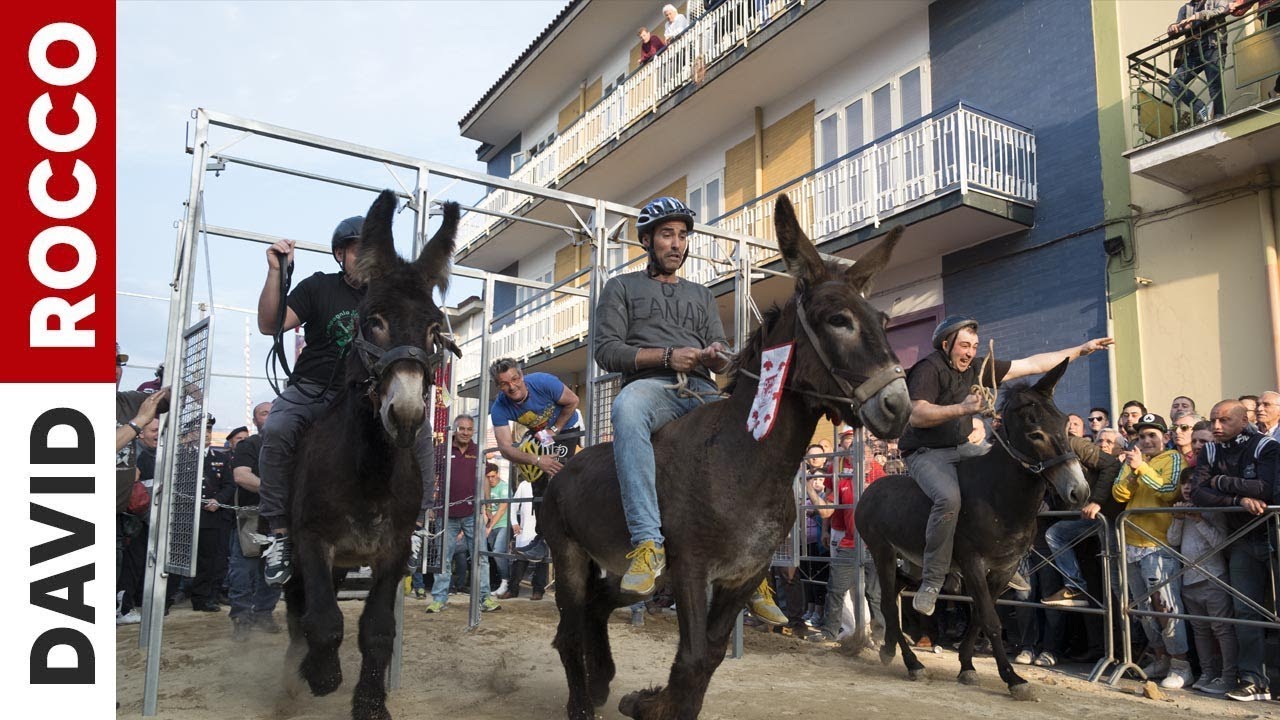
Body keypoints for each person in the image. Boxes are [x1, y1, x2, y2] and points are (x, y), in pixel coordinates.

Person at [594, 195, 784, 624]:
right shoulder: (621, 287)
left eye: (682, 235)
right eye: (667, 234)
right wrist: (666, 358)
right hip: (653, 389)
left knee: (757, 436)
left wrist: (719, 357)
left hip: (702, 390)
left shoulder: (701, 294)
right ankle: (647, 544)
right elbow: (606, 351)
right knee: (626, 409)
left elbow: (719, 348)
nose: (677, 243)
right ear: (646, 240)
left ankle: (757, 570)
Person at [255, 213, 436, 588]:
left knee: (419, 431)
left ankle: (415, 527)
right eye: (358, 251)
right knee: (278, 428)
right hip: (313, 388)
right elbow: (270, 323)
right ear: (341, 255)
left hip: (364, 394)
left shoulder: (391, 296)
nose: (366, 259)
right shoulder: (318, 287)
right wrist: (275, 272)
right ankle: (279, 531)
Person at [899, 315, 1113, 615]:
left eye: (974, 346)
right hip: (925, 452)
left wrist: (1081, 349)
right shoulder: (928, 369)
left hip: (961, 447)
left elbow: (1033, 364)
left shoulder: (978, 368)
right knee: (949, 498)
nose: (971, 352)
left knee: (1008, 472)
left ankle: (1004, 557)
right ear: (946, 345)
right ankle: (932, 580)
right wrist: (963, 408)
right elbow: (917, 415)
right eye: (964, 345)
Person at [1189, 399, 1279, 702]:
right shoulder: (1211, 450)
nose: (1216, 426)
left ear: (1244, 420)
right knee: (1245, 610)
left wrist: (1220, 481)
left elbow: (1264, 489)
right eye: (1213, 420)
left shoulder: (1265, 446)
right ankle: (1253, 679)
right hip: (1241, 537)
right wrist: (1236, 500)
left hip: (1273, 536)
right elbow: (1199, 493)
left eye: (1224, 420)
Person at [1112, 413, 1193, 689]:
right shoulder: (1135, 460)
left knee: (1166, 606)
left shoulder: (1173, 459)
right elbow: (1119, 494)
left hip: (1158, 544)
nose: (1146, 440)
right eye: (1142, 436)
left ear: (1165, 438)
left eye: (1152, 435)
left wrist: (1143, 470)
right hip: (1131, 543)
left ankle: (1181, 664)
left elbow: (1171, 491)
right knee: (1143, 608)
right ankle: (1160, 658)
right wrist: (1134, 472)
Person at [1168, 468, 1237, 696]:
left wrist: (1198, 520)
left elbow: (1221, 542)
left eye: (1192, 483)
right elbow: (1173, 540)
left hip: (1213, 576)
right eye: (1184, 483)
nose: (1187, 488)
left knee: (1221, 628)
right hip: (1189, 579)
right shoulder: (1181, 508)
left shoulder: (1212, 510)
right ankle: (1207, 672)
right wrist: (1178, 520)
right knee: (1200, 629)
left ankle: (1228, 676)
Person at [116, 343, 170, 624]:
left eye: (117, 363)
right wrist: (137, 423)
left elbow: (166, 399)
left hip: (119, 514)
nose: (113, 370)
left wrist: (177, 375)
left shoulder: (126, 401)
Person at [426, 416, 500, 613]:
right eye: (462, 429)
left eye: (469, 429)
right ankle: (439, 599)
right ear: (455, 430)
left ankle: (484, 598)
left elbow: (484, 479)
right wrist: (431, 504)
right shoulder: (441, 449)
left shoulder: (478, 451)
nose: (466, 433)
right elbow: (432, 477)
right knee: (444, 558)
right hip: (445, 512)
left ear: (473, 431)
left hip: (472, 513)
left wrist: (488, 506)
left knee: (480, 557)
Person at [488, 358, 581, 503]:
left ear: (521, 375)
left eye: (515, 379)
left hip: (567, 425)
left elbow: (573, 401)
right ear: (498, 386)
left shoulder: (542, 381)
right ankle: (541, 520)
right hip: (542, 433)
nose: (512, 387)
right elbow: (505, 448)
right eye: (505, 384)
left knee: (560, 474)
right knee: (539, 480)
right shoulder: (499, 408)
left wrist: (555, 429)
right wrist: (537, 460)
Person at [228, 401, 282, 639]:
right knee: (243, 570)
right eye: (264, 413)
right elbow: (241, 476)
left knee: (275, 569)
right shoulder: (249, 445)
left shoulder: (293, 446)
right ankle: (241, 617)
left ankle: (264, 614)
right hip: (252, 517)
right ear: (255, 420)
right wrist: (277, 491)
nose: (269, 416)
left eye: (274, 412)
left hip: (281, 518)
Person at [191, 416, 235, 612]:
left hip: (211, 516)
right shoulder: (181, 457)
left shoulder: (220, 458)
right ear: (191, 433)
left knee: (210, 559)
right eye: (201, 430)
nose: (206, 434)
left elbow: (229, 485)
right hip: (187, 516)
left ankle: (205, 597)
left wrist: (218, 501)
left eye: (209, 430)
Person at [1167, 0, 1228, 125]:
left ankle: (1219, 116)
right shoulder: (1185, 8)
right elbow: (1178, 26)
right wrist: (1173, 28)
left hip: (1213, 46)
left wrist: (1197, 16)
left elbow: (1224, 9)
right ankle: (1202, 109)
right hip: (1193, 52)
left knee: (1214, 85)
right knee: (1174, 84)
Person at [503, 471, 548, 600]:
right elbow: (514, 504)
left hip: (541, 530)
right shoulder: (524, 484)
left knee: (542, 562)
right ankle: (513, 589)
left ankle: (538, 590)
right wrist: (514, 522)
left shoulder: (548, 485)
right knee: (519, 560)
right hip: (524, 530)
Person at [483, 463, 513, 598]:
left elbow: (501, 510)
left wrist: (489, 526)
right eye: (488, 477)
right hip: (491, 525)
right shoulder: (486, 488)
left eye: (493, 476)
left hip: (503, 524)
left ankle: (506, 581)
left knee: (498, 552)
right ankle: (500, 581)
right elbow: (487, 508)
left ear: (498, 474)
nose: (491, 479)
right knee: (493, 554)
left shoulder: (504, 488)